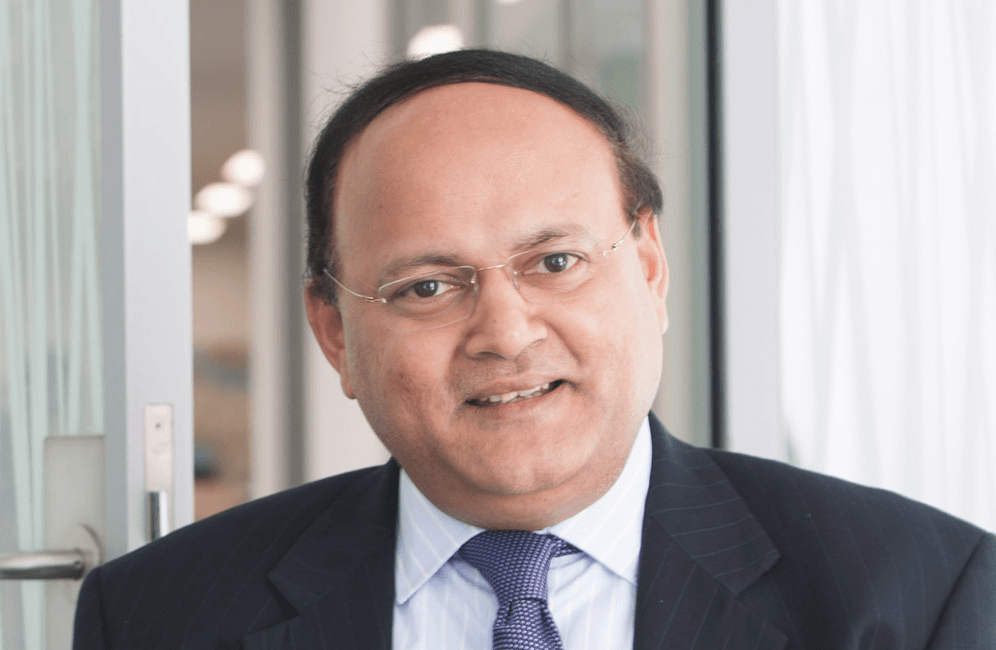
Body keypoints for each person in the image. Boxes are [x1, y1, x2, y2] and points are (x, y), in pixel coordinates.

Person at [73, 49, 994, 650]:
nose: (507, 333)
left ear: (649, 269)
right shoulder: (157, 617)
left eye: (555, 262)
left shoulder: (917, 596)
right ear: (334, 332)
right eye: (427, 287)